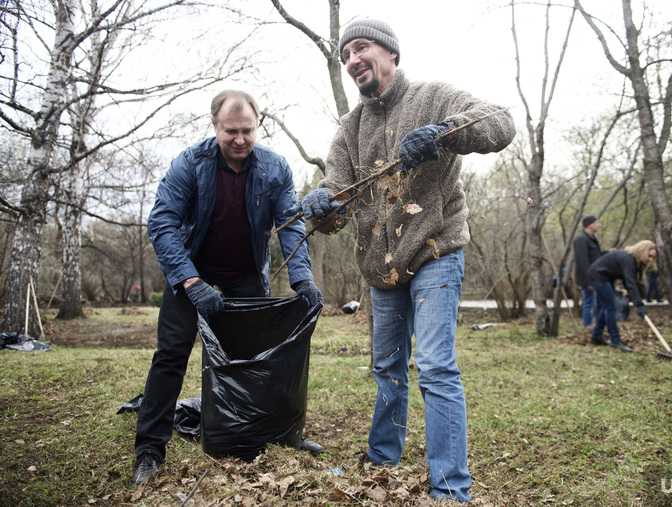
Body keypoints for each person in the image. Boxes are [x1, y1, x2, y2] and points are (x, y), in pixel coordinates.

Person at [299, 19, 515, 502]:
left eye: (361, 48)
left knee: (435, 366)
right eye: (345, 54)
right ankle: (382, 459)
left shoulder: (434, 97)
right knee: (387, 368)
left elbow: (500, 123)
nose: (353, 59)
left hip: (436, 250)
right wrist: (323, 205)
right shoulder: (350, 129)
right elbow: (337, 195)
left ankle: (449, 489)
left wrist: (444, 133)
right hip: (381, 268)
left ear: (390, 53)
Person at [132, 90, 323, 485]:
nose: (239, 139)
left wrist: (302, 278)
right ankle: (150, 450)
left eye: (247, 131)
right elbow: (163, 224)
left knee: (255, 362)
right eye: (230, 131)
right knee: (170, 357)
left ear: (259, 125)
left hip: (245, 276)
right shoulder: (189, 164)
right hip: (191, 273)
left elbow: (290, 223)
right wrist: (190, 281)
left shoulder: (275, 168)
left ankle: (268, 435)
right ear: (215, 126)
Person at [587, 240, 656, 352]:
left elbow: (629, 283)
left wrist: (638, 303)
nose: (651, 259)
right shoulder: (628, 259)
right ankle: (616, 341)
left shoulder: (633, 260)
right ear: (642, 251)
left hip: (605, 278)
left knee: (606, 307)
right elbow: (630, 283)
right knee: (610, 307)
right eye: (649, 256)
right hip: (598, 276)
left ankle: (596, 337)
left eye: (653, 257)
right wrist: (639, 305)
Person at [573, 215, 604, 328]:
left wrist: (608, 253)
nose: (599, 225)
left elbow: (597, 257)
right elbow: (582, 262)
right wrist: (588, 281)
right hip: (587, 278)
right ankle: (587, 325)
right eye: (597, 223)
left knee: (596, 301)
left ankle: (595, 325)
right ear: (590, 225)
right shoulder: (581, 239)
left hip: (597, 276)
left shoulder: (593, 239)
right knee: (589, 302)